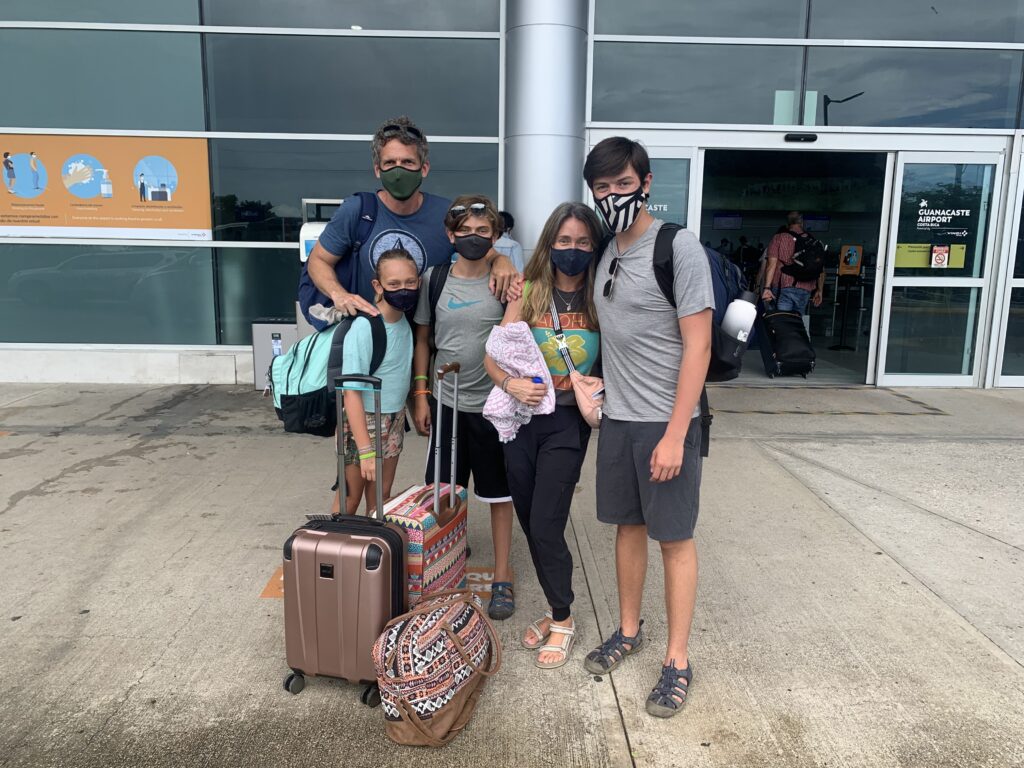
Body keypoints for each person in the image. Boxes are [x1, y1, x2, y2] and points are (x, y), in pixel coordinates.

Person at [582, 137, 713, 719]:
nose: (613, 195)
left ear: (647, 182)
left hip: (667, 421)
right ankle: (629, 630)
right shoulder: (605, 253)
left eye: (623, 183)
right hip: (619, 421)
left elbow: (699, 345)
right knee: (627, 529)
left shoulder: (678, 247)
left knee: (674, 539)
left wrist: (675, 434)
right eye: (601, 187)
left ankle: (678, 661)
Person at [483, 202, 603, 668]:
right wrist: (507, 382)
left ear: (594, 247)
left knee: (548, 522)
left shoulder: (601, 297)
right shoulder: (528, 291)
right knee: (531, 520)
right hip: (521, 420)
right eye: (564, 241)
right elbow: (493, 354)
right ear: (550, 242)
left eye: (582, 243)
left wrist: (601, 386)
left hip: (568, 424)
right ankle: (556, 611)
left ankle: (563, 617)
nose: (572, 250)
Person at [412, 195, 516, 621]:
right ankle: (446, 563)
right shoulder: (434, 279)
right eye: (465, 231)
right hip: (446, 402)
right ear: (449, 234)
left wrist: (502, 263)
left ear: (495, 234)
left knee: (498, 494)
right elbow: (423, 339)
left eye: (483, 232)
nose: (473, 238)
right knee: (443, 492)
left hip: (492, 405)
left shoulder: (506, 282)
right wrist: (421, 394)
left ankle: (503, 577)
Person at [305, 116, 518, 320]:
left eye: (407, 162)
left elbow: (477, 247)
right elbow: (319, 259)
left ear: (423, 168)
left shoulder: (445, 213)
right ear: (378, 170)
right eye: (390, 163)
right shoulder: (357, 210)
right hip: (368, 334)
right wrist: (339, 294)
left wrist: (501, 260)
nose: (398, 171)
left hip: (423, 338)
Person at [336, 249, 418, 515]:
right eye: (394, 284)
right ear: (378, 285)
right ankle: (335, 552)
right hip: (363, 422)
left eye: (410, 282)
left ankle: (370, 553)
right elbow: (351, 394)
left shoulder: (405, 321)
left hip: (394, 418)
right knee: (349, 498)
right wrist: (366, 450)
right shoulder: (364, 327)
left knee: (381, 499)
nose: (403, 289)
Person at [760, 212, 824, 314]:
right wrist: (820, 290)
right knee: (796, 322)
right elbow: (820, 268)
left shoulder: (779, 238)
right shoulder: (813, 240)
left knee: (781, 322)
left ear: (787, 224)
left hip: (784, 287)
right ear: (802, 223)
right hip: (806, 289)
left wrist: (767, 288)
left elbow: (771, 265)